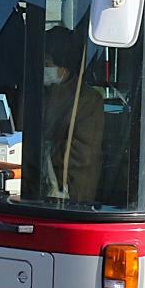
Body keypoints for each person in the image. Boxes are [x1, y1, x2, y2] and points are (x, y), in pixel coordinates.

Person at [41, 26, 104, 202]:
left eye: (47, 64)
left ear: (64, 66)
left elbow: (81, 158)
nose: (43, 69)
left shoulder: (87, 100)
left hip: (70, 195)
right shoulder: (37, 93)